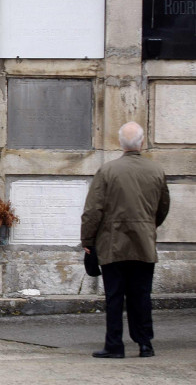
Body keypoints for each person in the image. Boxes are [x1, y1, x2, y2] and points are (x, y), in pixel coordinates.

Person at [81, 121, 170, 359]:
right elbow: (162, 208)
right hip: (143, 244)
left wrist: (88, 242)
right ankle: (145, 344)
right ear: (141, 142)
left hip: (112, 244)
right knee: (141, 295)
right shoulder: (156, 171)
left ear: (121, 143)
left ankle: (114, 346)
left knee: (114, 297)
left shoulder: (108, 171)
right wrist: (148, 227)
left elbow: (93, 211)